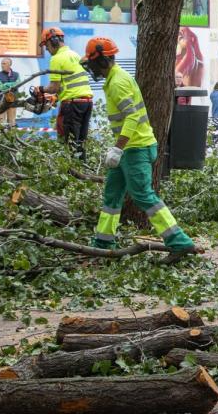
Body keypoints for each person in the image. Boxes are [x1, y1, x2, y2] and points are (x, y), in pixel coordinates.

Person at [80, 37, 200, 260]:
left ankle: (179, 241)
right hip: (131, 147)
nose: (91, 70)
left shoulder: (117, 82)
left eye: (93, 64)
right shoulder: (114, 77)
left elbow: (132, 116)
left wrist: (118, 148)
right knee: (112, 194)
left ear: (103, 61)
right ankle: (103, 242)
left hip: (135, 148)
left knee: (143, 195)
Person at [39, 27, 93, 159]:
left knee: (68, 142)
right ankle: (82, 170)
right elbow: (68, 85)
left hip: (72, 105)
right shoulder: (74, 54)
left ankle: (71, 172)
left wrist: (40, 89)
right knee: (80, 142)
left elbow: (54, 87)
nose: (46, 49)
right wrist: (56, 96)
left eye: (46, 45)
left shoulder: (57, 58)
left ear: (54, 41)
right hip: (86, 103)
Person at [0, 58, 20, 127]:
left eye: (4, 63)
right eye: (1, 63)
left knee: (12, 122)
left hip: (13, 101)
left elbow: (18, 84)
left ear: (10, 65)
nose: (2, 65)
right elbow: (0, 87)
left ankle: (11, 137)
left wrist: (6, 84)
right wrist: (11, 84)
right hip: (1, 102)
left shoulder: (16, 74)